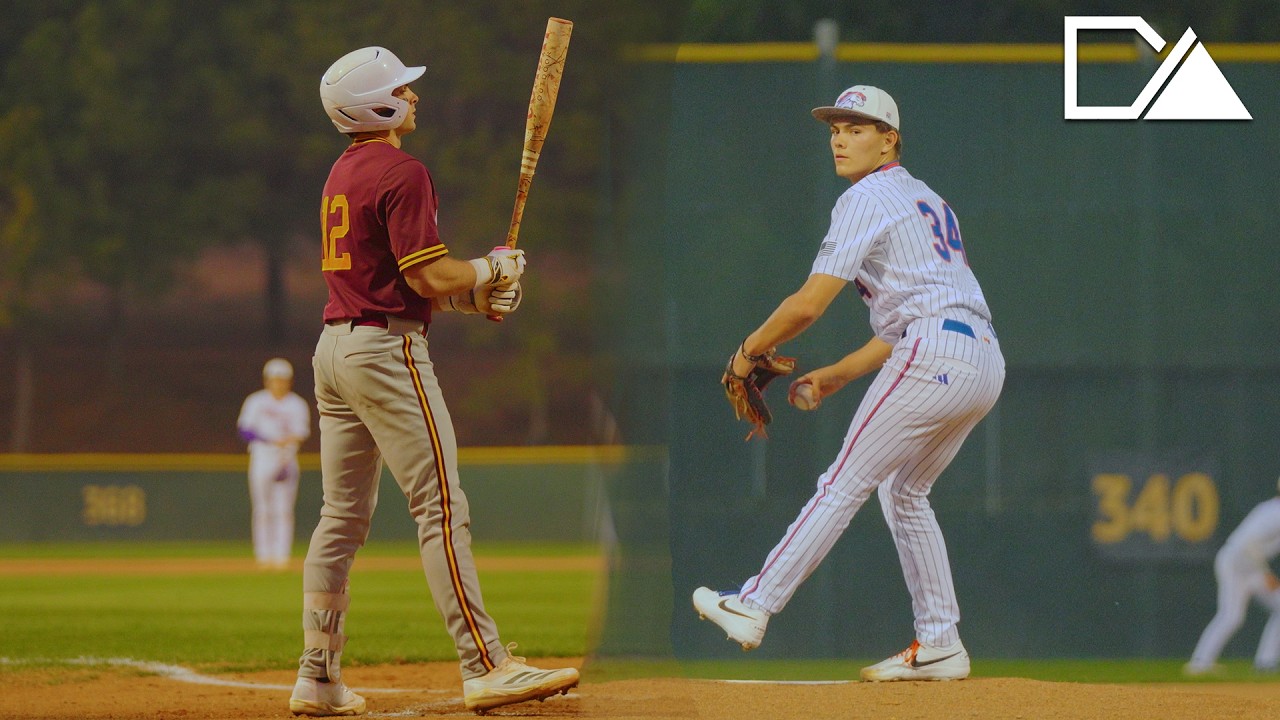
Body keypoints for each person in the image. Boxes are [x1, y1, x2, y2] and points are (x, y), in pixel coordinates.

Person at [288, 46, 578, 716]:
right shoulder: (401, 170)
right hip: (386, 356)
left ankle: (317, 674)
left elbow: (396, 281)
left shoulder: (343, 171)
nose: (413, 97)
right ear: (379, 105)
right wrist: (490, 271)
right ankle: (485, 664)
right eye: (402, 89)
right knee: (441, 508)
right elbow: (427, 276)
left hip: (334, 350)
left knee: (340, 520)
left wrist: (474, 294)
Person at [692, 85, 1006, 682]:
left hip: (934, 349)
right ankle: (940, 642)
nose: (840, 137)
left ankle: (754, 605)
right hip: (982, 359)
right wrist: (837, 375)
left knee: (842, 482)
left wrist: (747, 351)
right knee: (904, 493)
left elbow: (809, 306)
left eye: (857, 127)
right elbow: (913, 313)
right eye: (835, 127)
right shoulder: (926, 198)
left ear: (890, 140)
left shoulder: (867, 197)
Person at [1185, 477, 1280, 675]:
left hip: (1250, 567)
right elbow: (1248, 544)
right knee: (1231, 616)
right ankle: (1200, 663)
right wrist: (1265, 573)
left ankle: (1266, 662)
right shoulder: (1275, 513)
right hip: (1236, 563)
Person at [237, 357, 310, 570]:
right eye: (275, 379)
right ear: (267, 380)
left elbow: (302, 432)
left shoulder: (296, 403)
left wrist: (287, 442)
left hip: (287, 457)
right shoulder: (256, 401)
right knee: (262, 508)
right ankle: (263, 555)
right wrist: (270, 440)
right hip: (262, 456)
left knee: (284, 509)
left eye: (283, 379)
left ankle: (281, 556)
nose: (279, 383)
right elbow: (244, 430)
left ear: (290, 381)